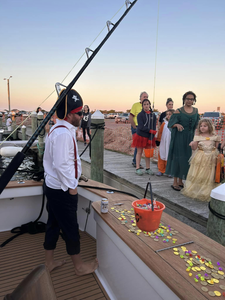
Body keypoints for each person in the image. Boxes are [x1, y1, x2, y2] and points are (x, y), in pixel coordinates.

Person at [43, 89, 98, 275]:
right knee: (70, 227)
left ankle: (49, 262)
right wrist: (72, 187)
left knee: (53, 223)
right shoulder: (64, 134)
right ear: (68, 115)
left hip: (54, 187)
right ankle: (79, 266)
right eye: (79, 113)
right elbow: (61, 165)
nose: (82, 116)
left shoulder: (58, 130)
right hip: (62, 190)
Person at [165, 91, 200, 191]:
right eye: (188, 98)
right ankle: (175, 182)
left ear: (194, 100)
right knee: (178, 158)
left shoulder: (196, 111)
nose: (189, 100)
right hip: (179, 138)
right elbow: (170, 123)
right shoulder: (178, 111)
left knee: (186, 158)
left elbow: (197, 125)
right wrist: (176, 125)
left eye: (191, 99)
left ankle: (181, 181)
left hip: (190, 138)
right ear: (184, 99)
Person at [182, 119, 220, 201]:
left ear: (209, 127)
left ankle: (205, 191)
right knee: (198, 173)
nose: (202, 128)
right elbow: (194, 148)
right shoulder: (197, 137)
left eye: (205, 126)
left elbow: (217, 148)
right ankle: (197, 190)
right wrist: (192, 144)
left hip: (211, 159)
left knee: (208, 174)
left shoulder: (215, 137)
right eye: (201, 126)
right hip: (200, 157)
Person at [131, 99, 156, 175]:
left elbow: (154, 127)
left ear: (149, 105)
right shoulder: (140, 115)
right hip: (140, 136)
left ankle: (148, 168)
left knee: (148, 153)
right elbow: (141, 127)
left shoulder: (153, 115)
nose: (146, 106)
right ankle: (137, 168)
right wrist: (150, 131)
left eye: (147, 104)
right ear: (142, 106)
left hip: (149, 137)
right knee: (139, 152)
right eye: (144, 104)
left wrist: (151, 137)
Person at [129, 91, 149, 168]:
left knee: (143, 146)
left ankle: (137, 161)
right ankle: (135, 162)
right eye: (144, 97)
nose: (145, 98)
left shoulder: (147, 107)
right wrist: (134, 126)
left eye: (147, 97)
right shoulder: (136, 105)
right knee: (138, 145)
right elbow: (131, 117)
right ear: (140, 98)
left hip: (144, 129)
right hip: (137, 128)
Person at [156, 109, 175, 176]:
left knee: (169, 156)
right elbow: (160, 133)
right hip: (163, 142)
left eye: (170, 114)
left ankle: (169, 171)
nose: (168, 116)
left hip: (170, 143)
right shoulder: (164, 124)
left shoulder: (174, 125)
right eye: (167, 114)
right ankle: (161, 169)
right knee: (162, 154)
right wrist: (158, 140)